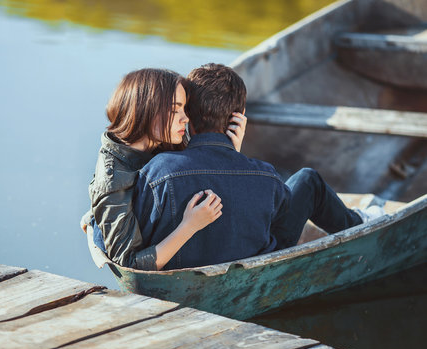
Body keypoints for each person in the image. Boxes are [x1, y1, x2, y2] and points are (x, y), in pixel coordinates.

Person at [133, 63, 383, 270]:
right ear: (238, 116)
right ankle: (360, 224)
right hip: (253, 269)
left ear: (186, 115)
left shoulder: (158, 170)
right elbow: (256, 205)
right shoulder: (265, 176)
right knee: (308, 181)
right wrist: (234, 156)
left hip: (175, 269)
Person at [81, 68, 247, 271]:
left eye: (185, 109)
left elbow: (204, 183)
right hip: (147, 262)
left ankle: (94, 217)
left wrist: (229, 151)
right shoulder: (113, 176)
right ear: (145, 109)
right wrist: (189, 226)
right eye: (174, 110)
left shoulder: (166, 145)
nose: (185, 119)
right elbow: (129, 265)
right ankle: (95, 219)